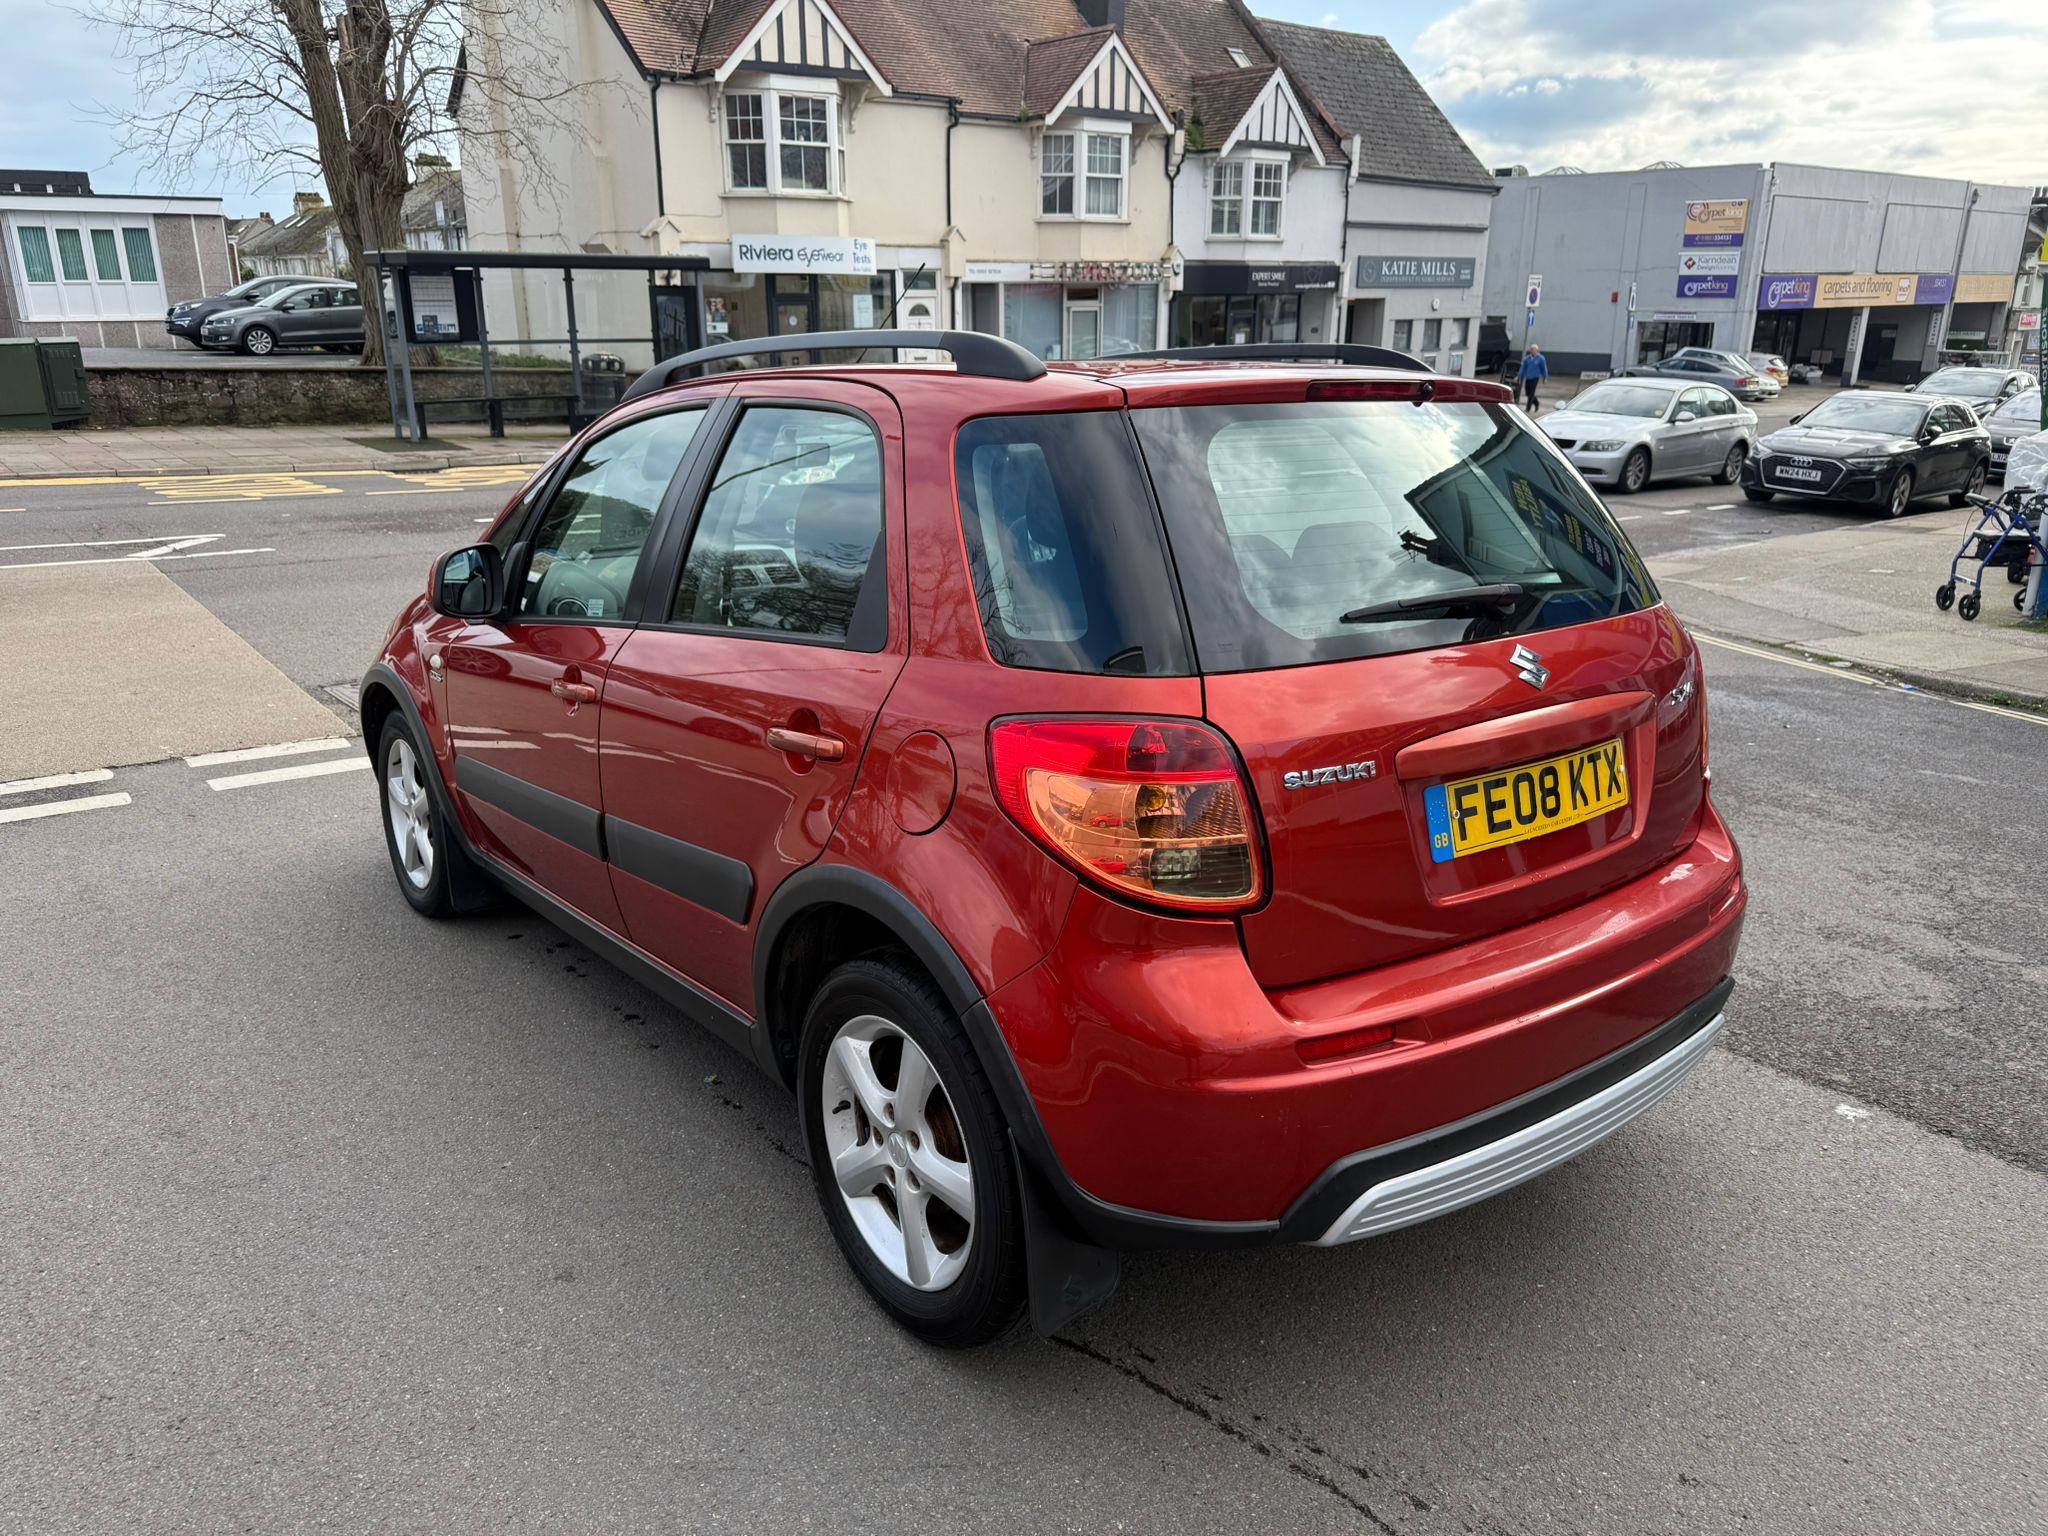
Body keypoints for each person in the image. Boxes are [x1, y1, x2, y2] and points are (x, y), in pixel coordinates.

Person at [1517, 344, 1549, 411]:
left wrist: (1545, 378)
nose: (1533, 351)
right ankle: (1536, 403)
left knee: (1531, 393)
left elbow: (1544, 369)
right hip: (1528, 377)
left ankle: (1528, 408)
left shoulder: (1541, 358)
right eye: (1531, 350)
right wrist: (1518, 376)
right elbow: (1523, 368)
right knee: (1527, 393)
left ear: (1537, 350)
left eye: (1534, 350)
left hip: (1535, 377)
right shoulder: (1527, 359)